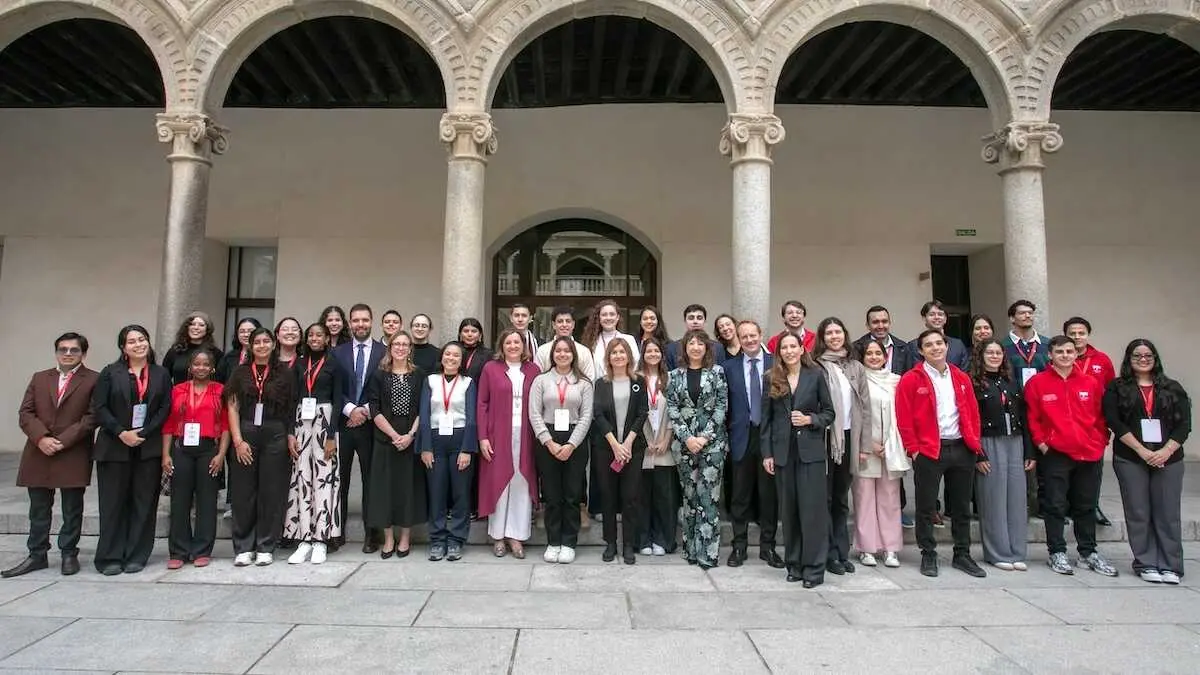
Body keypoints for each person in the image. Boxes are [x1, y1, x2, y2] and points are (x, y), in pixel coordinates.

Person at [5, 333, 98, 578]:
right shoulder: (40, 378)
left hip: (74, 450)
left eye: (74, 350)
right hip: (39, 450)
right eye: (63, 349)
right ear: (56, 352)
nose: (68, 354)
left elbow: (92, 416)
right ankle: (37, 554)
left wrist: (63, 440)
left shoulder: (94, 380)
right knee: (38, 507)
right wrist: (42, 438)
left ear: (83, 354)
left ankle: (69, 553)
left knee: (72, 507)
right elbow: (25, 413)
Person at [1024, 335, 1117, 577]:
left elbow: (1101, 416)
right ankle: (1057, 551)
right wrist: (1043, 444)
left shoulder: (1090, 383)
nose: (1065, 356)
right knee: (1054, 504)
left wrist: (1100, 441)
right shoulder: (1038, 383)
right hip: (1056, 454)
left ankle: (1088, 552)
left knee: (1085, 505)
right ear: (1050, 355)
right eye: (1060, 352)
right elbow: (1032, 418)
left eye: (1069, 351)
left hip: (1089, 452)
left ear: (1076, 354)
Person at [896, 329, 986, 578]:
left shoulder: (960, 377)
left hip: (961, 448)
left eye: (939, 343)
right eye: (929, 345)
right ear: (921, 350)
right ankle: (928, 553)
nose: (935, 348)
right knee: (926, 507)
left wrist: (975, 444)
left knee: (961, 506)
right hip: (929, 451)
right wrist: (913, 450)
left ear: (947, 346)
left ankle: (962, 554)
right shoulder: (911, 379)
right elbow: (904, 418)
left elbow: (973, 413)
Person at [1104, 339, 1191, 584]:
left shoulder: (1173, 387)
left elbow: (1184, 425)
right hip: (1131, 456)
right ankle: (1146, 561)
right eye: (1137, 355)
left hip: (1169, 458)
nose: (1143, 359)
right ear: (1128, 359)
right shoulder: (1117, 388)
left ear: (1155, 358)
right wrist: (1143, 451)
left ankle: (1171, 565)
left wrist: (1165, 451)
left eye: (1148, 355)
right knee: (1138, 511)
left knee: (1167, 512)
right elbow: (1114, 421)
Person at [91, 325, 172, 575]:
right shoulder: (110, 373)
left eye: (142, 339)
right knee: (113, 503)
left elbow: (164, 408)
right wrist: (121, 432)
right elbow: (100, 408)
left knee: (144, 502)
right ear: (123, 348)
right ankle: (110, 557)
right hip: (114, 447)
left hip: (147, 448)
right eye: (132, 341)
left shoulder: (160, 373)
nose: (139, 344)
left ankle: (137, 554)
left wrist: (144, 433)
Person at [760, 332, 835, 587]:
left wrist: (810, 420)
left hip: (810, 453)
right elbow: (766, 420)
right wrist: (767, 453)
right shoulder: (771, 378)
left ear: (803, 349)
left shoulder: (815, 375)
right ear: (779, 352)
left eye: (794, 346)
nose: (790, 351)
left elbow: (829, 413)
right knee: (789, 512)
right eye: (785, 347)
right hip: (783, 454)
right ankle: (794, 564)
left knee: (812, 512)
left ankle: (814, 569)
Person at [224, 327, 297, 566]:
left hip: (274, 433)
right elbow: (232, 407)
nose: (262, 346)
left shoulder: (284, 373)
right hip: (246, 433)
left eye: (267, 341)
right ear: (250, 346)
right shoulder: (240, 372)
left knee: (271, 492)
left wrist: (289, 436)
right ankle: (244, 546)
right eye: (258, 342)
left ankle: (266, 545)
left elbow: (290, 408)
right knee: (244, 492)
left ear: (274, 345)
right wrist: (238, 441)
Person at [812, 317, 872, 575]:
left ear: (844, 335)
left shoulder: (856, 367)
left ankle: (841, 550)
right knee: (823, 498)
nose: (834, 336)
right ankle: (827, 554)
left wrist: (864, 445)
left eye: (838, 332)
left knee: (840, 499)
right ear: (822, 338)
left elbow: (865, 408)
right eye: (829, 333)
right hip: (824, 439)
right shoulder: (815, 366)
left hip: (849, 438)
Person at [665, 329, 728, 569]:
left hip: (712, 445)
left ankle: (708, 553)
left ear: (707, 348)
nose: (695, 347)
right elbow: (672, 408)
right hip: (684, 445)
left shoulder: (717, 373)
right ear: (685, 348)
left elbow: (722, 407)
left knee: (709, 498)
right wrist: (687, 437)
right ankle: (690, 550)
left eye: (700, 343)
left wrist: (703, 437)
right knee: (690, 497)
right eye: (691, 343)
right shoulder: (674, 375)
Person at [721, 320, 781, 568]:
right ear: (738, 338)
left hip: (768, 439)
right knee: (740, 497)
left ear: (760, 335)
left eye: (752, 335)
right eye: (743, 336)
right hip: (740, 439)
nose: (748, 340)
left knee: (769, 497)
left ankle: (768, 548)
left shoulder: (775, 365)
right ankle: (739, 546)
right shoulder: (727, 367)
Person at [970, 338, 1034, 571]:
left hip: (1015, 442)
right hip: (989, 442)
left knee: (1016, 500)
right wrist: (979, 454)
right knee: (993, 499)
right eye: (990, 352)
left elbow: (1025, 419)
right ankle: (998, 553)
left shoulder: (1011, 382)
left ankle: (1017, 551)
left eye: (998, 352)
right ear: (981, 356)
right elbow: (970, 420)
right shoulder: (974, 383)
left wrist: (1029, 450)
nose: (995, 356)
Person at [529, 336, 594, 564]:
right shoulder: (541, 381)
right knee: (552, 494)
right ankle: (553, 541)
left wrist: (571, 445)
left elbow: (587, 416)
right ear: (552, 354)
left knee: (572, 494)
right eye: (559, 351)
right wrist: (550, 442)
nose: (563, 354)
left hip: (575, 439)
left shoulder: (583, 383)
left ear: (573, 355)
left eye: (567, 351)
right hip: (548, 438)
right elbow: (534, 414)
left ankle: (568, 542)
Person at [284, 323, 345, 565]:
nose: (315, 338)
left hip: (325, 423)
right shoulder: (299, 364)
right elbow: (291, 401)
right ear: (306, 339)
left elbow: (339, 400)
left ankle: (321, 539)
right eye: (311, 335)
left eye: (319, 335)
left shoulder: (334, 364)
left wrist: (331, 436)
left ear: (326, 338)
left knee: (324, 480)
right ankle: (304, 539)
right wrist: (290, 433)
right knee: (302, 479)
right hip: (301, 423)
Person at [477, 329, 541, 558]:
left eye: (517, 342)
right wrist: (482, 437)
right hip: (497, 434)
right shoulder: (490, 369)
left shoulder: (534, 370)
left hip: (526, 435)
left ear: (524, 346)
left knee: (521, 482)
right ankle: (498, 536)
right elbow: (482, 403)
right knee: (499, 483)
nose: (513, 346)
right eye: (508, 342)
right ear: (501, 346)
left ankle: (516, 536)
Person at [161, 350, 228, 569]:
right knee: (179, 501)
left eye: (205, 364)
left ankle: (201, 549)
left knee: (207, 501)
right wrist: (166, 454)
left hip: (209, 449)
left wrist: (221, 454)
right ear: (190, 367)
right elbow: (169, 424)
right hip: (182, 448)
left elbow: (227, 425)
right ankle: (179, 551)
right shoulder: (177, 390)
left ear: (212, 368)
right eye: (197, 364)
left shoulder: (220, 390)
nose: (201, 368)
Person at [364, 331, 426, 558]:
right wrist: (393, 435)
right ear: (390, 348)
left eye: (405, 344)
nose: (400, 348)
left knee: (407, 490)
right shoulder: (379, 375)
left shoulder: (419, 375)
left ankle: (405, 539)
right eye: (396, 344)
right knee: (385, 491)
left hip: (411, 439)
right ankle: (389, 538)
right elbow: (374, 408)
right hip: (385, 439)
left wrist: (410, 435)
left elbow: (423, 408)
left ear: (411, 349)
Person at [332, 303, 385, 552]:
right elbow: (332, 389)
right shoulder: (337, 353)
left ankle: (371, 535)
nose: (360, 324)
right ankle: (336, 532)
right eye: (356, 320)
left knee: (370, 481)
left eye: (365, 320)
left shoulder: (383, 352)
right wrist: (350, 409)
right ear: (349, 323)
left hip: (371, 425)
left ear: (371, 321)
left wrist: (363, 410)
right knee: (338, 481)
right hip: (343, 425)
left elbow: (383, 389)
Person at [418, 342, 478, 562]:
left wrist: (467, 449)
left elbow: (472, 418)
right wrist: (425, 446)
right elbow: (424, 415)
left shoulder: (468, 383)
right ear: (442, 357)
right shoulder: (430, 381)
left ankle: (456, 540)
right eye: (448, 354)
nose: (451, 358)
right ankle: (437, 539)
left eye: (456, 355)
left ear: (462, 361)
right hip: (434, 440)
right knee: (437, 492)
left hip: (460, 439)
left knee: (461, 493)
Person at [853, 339, 909, 569]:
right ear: (862, 357)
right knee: (864, 498)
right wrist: (869, 443)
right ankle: (867, 548)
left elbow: (904, 413)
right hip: (866, 448)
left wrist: (893, 443)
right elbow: (855, 415)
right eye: (869, 354)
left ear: (886, 356)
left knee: (890, 499)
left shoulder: (896, 381)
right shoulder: (857, 380)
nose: (874, 357)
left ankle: (890, 548)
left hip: (891, 448)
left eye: (878, 353)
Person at [591, 338, 648, 564]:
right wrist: (615, 444)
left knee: (630, 497)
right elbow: (598, 414)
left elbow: (642, 413)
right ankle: (610, 543)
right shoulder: (601, 383)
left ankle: (628, 545)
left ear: (628, 356)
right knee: (608, 496)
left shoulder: (639, 382)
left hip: (633, 448)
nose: (618, 356)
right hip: (606, 448)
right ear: (608, 357)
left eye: (621, 352)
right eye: (613, 353)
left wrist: (627, 444)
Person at [1065, 316, 1117, 527]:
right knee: (1067, 467)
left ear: (1087, 335)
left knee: (1093, 469)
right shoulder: (1063, 356)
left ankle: (1092, 506)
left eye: (1081, 333)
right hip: (1067, 422)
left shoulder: (1101, 360)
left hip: (1094, 422)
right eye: (1072, 334)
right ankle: (1070, 506)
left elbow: (1112, 390)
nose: (1077, 337)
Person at [636, 338, 675, 556]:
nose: (652, 354)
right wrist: (645, 441)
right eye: (648, 351)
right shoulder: (636, 378)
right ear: (643, 354)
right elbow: (635, 412)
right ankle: (643, 540)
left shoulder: (669, 378)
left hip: (664, 445)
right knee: (642, 496)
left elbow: (675, 410)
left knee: (663, 497)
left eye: (656, 350)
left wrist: (666, 440)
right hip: (643, 445)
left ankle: (663, 539)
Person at [581, 298, 640, 378]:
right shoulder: (591, 342)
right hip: (599, 388)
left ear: (617, 317)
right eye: (604, 315)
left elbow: (635, 366)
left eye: (612, 314)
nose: (608, 318)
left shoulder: (629, 340)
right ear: (599, 318)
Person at [161, 312, 224, 385]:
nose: (196, 327)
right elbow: (164, 378)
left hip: (206, 395)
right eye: (192, 324)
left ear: (207, 330)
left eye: (201, 325)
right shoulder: (175, 351)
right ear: (187, 327)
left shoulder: (216, 353)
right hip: (178, 395)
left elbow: (221, 380)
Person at [534, 306, 595, 379]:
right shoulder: (543, 351)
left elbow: (590, 379)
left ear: (573, 325)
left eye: (568, 321)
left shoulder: (584, 352)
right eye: (560, 321)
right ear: (554, 325)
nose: (564, 325)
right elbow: (537, 379)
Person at [853, 305, 914, 375]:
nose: (880, 326)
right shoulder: (855, 348)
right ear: (867, 325)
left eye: (884, 321)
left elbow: (908, 376)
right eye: (875, 322)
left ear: (889, 323)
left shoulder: (903, 348)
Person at [1001, 300, 1049, 386]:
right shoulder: (1002, 346)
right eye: (1022, 313)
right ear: (1012, 318)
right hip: (1014, 397)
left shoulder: (1047, 343)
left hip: (1043, 395)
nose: (1027, 316)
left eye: (1030, 313)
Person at [909, 301, 968, 369]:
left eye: (940, 314)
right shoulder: (913, 346)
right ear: (924, 318)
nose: (936, 317)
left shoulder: (958, 345)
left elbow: (965, 372)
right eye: (932, 314)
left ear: (945, 319)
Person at [665, 304, 717, 370]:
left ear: (705, 322)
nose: (695, 321)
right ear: (685, 321)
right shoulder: (671, 349)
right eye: (691, 318)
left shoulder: (718, 347)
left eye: (699, 318)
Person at [217, 318, 261, 384]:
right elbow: (219, 381)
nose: (246, 335)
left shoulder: (266, 356)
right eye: (242, 331)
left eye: (250, 331)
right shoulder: (229, 357)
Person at [458, 318, 492, 382]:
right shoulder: (452, 352)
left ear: (480, 335)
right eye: (466, 331)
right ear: (460, 334)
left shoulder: (489, 355)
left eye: (474, 331)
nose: (469, 334)